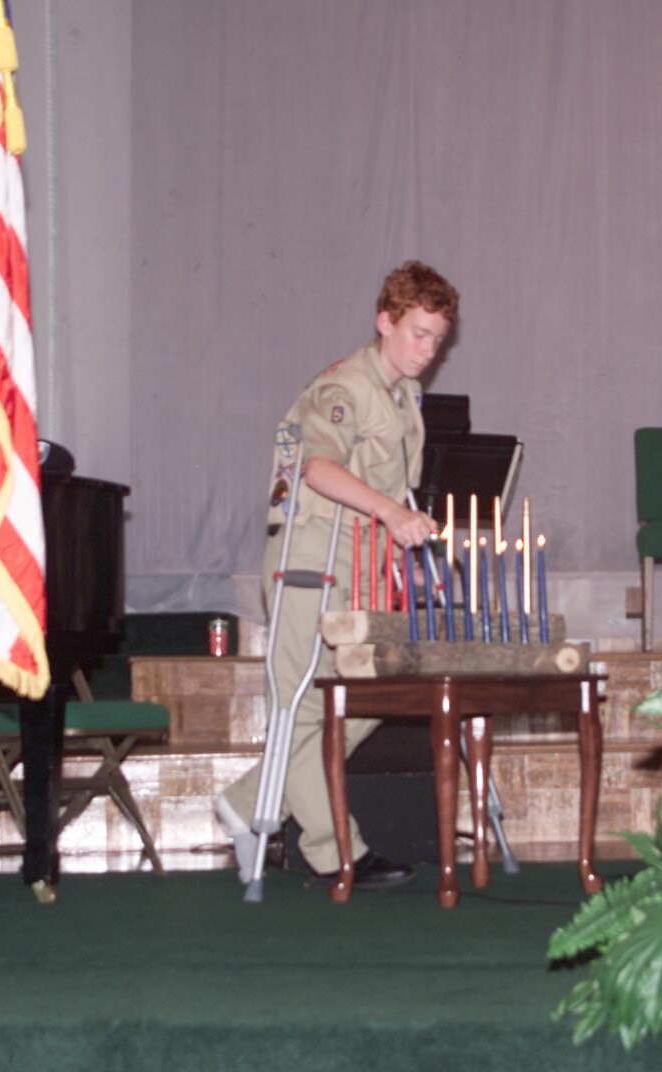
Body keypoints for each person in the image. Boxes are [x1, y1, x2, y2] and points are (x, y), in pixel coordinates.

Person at [216, 260, 457, 889]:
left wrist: (404, 530)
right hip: (312, 555)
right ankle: (335, 849)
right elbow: (317, 468)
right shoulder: (345, 387)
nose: (428, 350)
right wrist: (390, 513)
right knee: (304, 703)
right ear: (385, 321)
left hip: (363, 559)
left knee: (366, 696)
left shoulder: (403, 395)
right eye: (418, 334)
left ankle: (247, 801)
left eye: (438, 339)